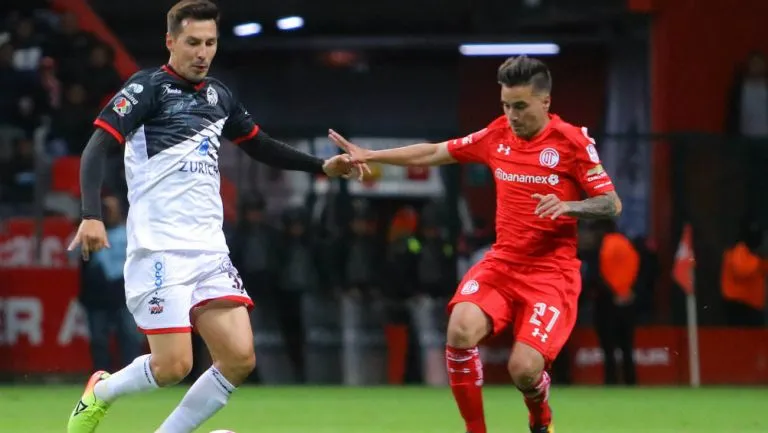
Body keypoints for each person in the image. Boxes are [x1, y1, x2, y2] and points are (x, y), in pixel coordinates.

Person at [65, 1, 361, 432]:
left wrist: (321, 166)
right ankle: (101, 392)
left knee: (240, 358)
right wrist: (90, 214)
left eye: (210, 43)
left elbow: (259, 145)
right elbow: (96, 147)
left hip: (209, 251)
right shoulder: (147, 88)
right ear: (171, 42)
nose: (202, 52)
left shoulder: (220, 96)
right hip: (159, 248)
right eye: (192, 43)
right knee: (173, 367)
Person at [329, 55, 621, 433]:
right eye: (506, 105)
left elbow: (611, 203)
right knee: (460, 328)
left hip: (551, 275)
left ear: (545, 102)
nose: (512, 115)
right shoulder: (497, 134)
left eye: (520, 106)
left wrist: (569, 205)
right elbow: (435, 151)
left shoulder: (571, 141)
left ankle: (540, 417)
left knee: (524, 370)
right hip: (502, 264)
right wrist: (371, 154)